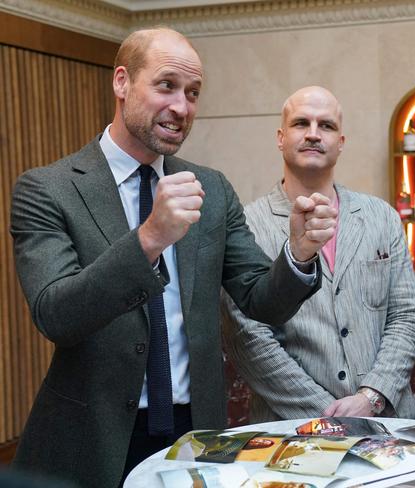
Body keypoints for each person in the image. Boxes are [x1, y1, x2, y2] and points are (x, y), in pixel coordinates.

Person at [10, 28, 337, 488]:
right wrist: (148, 239)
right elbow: (56, 314)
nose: (181, 107)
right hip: (93, 438)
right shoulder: (48, 189)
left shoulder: (212, 188)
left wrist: (299, 254)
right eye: (166, 86)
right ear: (122, 83)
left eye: (193, 93)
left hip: (197, 433)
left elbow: (260, 300)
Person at [221, 86, 415, 422]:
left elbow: (406, 317)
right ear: (281, 137)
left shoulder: (382, 216)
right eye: (302, 123)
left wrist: (372, 397)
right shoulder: (246, 225)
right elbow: (250, 337)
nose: (314, 134)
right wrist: (330, 418)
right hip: (292, 430)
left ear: (340, 142)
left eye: (326, 126)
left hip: (388, 421)